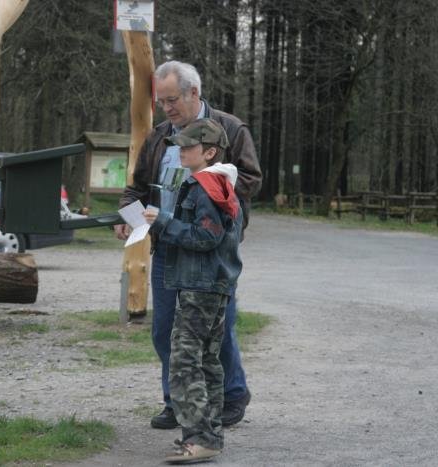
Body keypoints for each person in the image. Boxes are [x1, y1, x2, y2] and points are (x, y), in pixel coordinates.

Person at [115, 61, 262, 429]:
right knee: (165, 329)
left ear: (193, 92)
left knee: (217, 328)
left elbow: (251, 178)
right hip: (167, 246)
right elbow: (137, 186)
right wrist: (126, 214)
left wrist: (209, 189)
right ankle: (177, 401)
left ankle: (231, 395)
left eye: (172, 100)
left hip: (211, 250)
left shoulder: (229, 128)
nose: (167, 108)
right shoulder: (159, 135)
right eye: (161, 101)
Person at [144, 118, 242, 463]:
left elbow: (206, 237)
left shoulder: (207, 187)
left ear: (210, 151)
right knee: (207, 362)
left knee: (185, 362)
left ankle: (200, 438)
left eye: (189, 146)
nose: (181, 151)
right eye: (180, 145)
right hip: (212, 285)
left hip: (201, 286)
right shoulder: (217, 182)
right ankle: (209, 437)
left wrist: (163, 222)